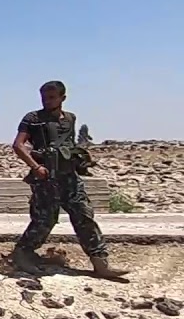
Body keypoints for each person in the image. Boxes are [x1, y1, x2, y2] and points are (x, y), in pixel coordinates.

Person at [9, 80, 128, 279]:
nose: (47, 101)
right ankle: (23, 253)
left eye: (52, 97)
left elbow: (69, 145)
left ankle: (100, 263)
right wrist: (36, 167)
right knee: (45, 220)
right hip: (46, 178)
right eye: (44, 98)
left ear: (62, 98)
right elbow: (18, 145)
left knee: (84, 217)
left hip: (69, 177)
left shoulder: (70, 119)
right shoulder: (33, 118)